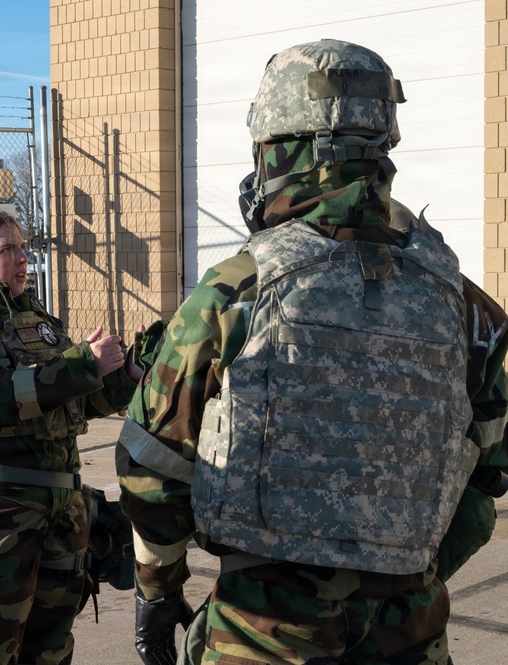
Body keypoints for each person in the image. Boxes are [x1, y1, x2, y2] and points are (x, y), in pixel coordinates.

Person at [116, 39, 508, 665]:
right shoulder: (467, 307)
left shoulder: (237, 291)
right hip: (411, 631)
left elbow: (150, 470)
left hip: (264, 630)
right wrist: (405, 576)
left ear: (277, 149)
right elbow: (487, 479)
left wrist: (158, 589)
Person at [0, 209, 142, 665]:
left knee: (50, 646)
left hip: (60, 511)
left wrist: (126, 376)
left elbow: (69, 404)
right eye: (6, 250)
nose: (21, 259)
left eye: (23, 249)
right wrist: (81, 366)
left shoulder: (38, 321)